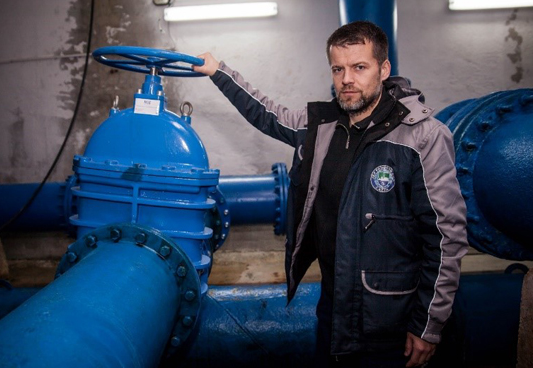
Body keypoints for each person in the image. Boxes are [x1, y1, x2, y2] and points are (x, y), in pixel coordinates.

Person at [193, 21, 468, 368]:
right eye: (338, 69)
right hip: (335, 309)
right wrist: (219, 71)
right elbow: (266, 114)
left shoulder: (423, 138)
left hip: (393, 322)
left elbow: (446, 237)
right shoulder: (321, 127)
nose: (347, 79)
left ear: (384, 69)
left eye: (359, 67)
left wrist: (428, 325)